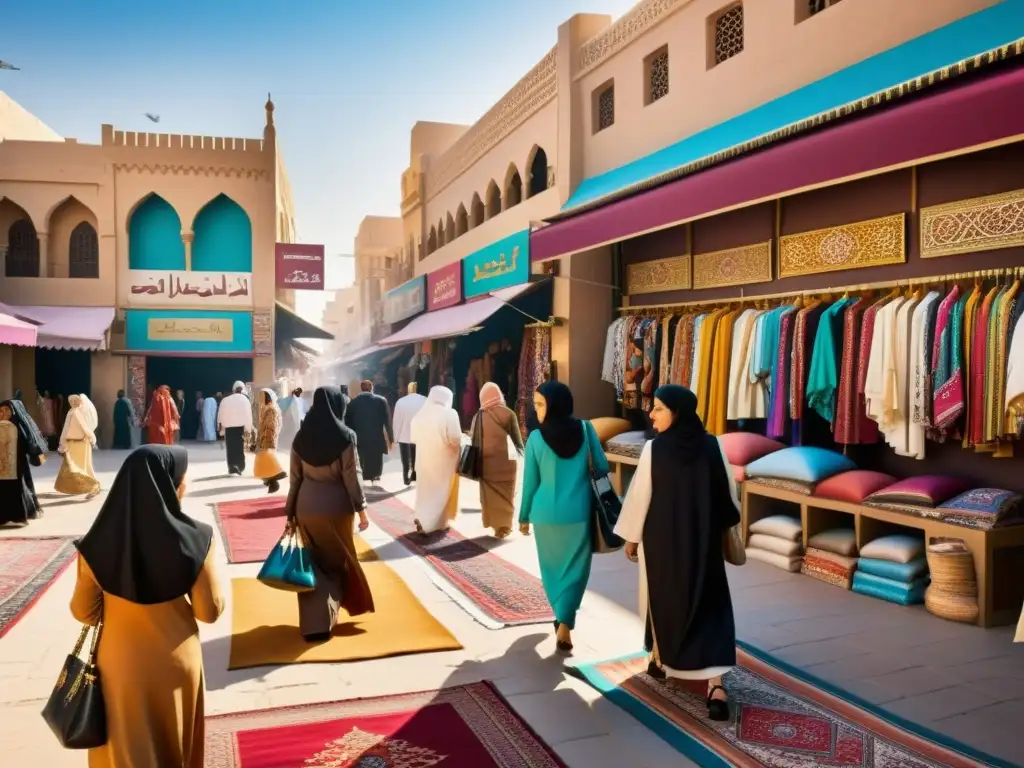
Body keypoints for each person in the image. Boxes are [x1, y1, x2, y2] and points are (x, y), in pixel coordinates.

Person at [70, 445, 224, 767]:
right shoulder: (197, 538)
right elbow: (209, 612)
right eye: (182, 478)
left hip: (119, 667)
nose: (186, 484)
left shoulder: (95, 543)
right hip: (176, 666)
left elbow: (83, 612)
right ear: (169, 485)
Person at [614, 385, 739, 722]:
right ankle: (716, 684)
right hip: (703, 544)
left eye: (658, 408)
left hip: (663, 544)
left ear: (677, 412)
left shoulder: (655, 450)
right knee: (708, 604)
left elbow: (640, 497)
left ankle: (662, 659)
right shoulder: (713, 445)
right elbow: (729, 495)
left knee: (665, 599)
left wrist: (631, 538)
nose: (651, 415)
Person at [519, 381, 607, 653]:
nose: (537, 409)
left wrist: (523, 516)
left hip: (544, 515)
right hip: (578, 513)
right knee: (576, 570)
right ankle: (565, 623)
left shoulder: (535, 438)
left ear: (554, 404)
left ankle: (560, 615)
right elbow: (602, 466)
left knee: (552, 569)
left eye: (540, 404)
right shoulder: (585, 429)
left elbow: (530, 481)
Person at [286, 386, 373, 642]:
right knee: (338, 562)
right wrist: (362, 510)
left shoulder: (300, 438)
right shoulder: (346, 436)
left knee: (314, 564)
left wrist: (289, 514)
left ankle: (314, 622)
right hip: (336, 508)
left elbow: (294, 481)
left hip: (305, 507)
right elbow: (352, 478)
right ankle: (326, 616)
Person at [473, 382, 524, 538]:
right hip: (507, 463)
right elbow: (518, 442)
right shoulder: (509, 414)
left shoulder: (478, 416)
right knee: (506, 494)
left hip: (485, 464)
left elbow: (474, 442)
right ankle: (505, 526)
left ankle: (494, 524)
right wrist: (521, 455)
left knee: (490, 495)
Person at [410, 385, 464, 535]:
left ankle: (422, 518)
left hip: (423, 460)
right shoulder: (449, 414)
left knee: (425, 491)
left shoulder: (420, 415)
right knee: (440, 492)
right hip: (443, 461)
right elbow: (455, 439)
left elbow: (413, 438)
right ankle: (431, 525)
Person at [0, 399, 48, 526]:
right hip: (3, 465)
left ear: (13, 412)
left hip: (17, 464)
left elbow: (28, 444)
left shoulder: (18, 426)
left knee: (18, 488)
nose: (2, 414)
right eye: (0, 411)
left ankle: (19, 516)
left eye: (6, 411)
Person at [345, 380, 393, 486]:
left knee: (362, 456)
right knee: (376, 457)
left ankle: (365, 475)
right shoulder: (381, 401)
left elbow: (347, 422)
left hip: (360, 437)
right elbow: (387, 422)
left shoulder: (353, 403)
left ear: (361, 389)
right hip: (376, 437)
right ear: (372, 388)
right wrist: (391, 438)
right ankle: (375, 476)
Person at [54, 394, 101, 499]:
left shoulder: (76, 413)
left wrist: (92, 438)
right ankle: (86, 486)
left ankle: (94, 485)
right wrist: (62, 444)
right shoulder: (73, 412)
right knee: (76, 467)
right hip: (74, 444)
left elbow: (84, 428)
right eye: (72, 401)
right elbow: (66, 429)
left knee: (81, 467)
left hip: (81, 444)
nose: (74, 403)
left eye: (76, 401)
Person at [391, 382, 427, 485]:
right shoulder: (425, 400)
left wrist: (395, 437)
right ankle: (416, 474)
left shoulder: (401, 402)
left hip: (404, 436)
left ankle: (405, 476)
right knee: (417, 456)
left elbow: (397, 421)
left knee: (405, 458)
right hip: (420, 435)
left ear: (408, 389)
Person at [254, 389, 287, 494]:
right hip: (265, 439)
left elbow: (271, 426)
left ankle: (275, 476)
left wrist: (267, 441)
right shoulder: (267, 408)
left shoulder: (271, 410)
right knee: (263, 462)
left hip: (267, 440)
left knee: (265, 460)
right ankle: (270, 481)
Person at [217, 382, 253, 475]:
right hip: (240, 428)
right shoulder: (245, 400)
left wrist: (221, 429)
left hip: (228, 428)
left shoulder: (225, 400)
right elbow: (248, 416)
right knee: (239, 447)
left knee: (230, 448)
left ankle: (232, 466)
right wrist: (248, 430)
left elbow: (220, 416)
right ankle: (240, 466)